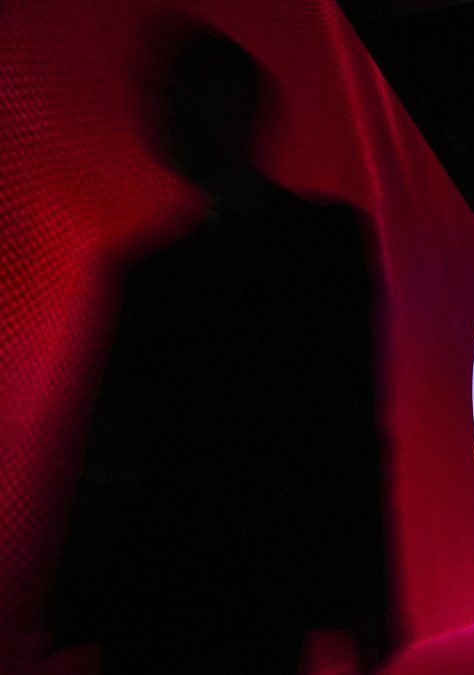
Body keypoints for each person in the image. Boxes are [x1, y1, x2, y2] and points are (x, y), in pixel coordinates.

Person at [49, 28, 386, 673]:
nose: (163, 110)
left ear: (234, 108)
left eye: (181, 93)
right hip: (200, 596)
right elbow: (346, 424)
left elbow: (343, 421)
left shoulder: (165, 271)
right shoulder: (158, 270)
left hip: (227, 595)